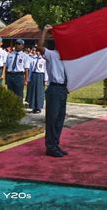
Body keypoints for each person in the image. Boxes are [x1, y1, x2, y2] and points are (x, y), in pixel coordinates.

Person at [38, 24, 69, 157]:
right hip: (54, 88)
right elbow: (39, 47)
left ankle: (55, 144)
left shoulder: (67, 57)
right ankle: (50, 146)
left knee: (60, 119)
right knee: (52, 118)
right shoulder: (52, 54)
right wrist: (45, 31)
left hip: (63, 90)